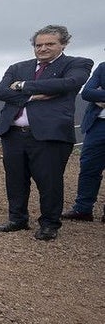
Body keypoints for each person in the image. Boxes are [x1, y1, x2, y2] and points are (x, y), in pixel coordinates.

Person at [0, 25, 93, 240]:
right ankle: (17, 219)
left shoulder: (78, 64)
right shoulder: (18, 66)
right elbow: (0, 92)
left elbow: (68, 84)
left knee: (49, 181)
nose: (43, 48)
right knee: (15, 179)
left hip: (50, 134)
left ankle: (49, 224)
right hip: (13, 132)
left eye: (50, 44)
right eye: (39, 45)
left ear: (63, 44)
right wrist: (32, 95)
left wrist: (21, 86)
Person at [61, 56, 105, 223]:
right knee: (89, 167)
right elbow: (87, 92)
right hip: (98, 124)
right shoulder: (103, 67)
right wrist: (96, 94)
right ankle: (83, 209)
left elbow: (95, 93)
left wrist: (101, 94)